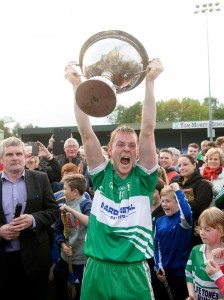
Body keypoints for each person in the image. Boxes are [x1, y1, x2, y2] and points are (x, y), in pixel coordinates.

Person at [65, 58, 164, 300]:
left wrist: (150, 82)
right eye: (121, 144)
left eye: (132, 145)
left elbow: (148, 130)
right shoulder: (102, 174)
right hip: (97, 268)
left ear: (138, 152)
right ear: (110, 150)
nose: (127, 149)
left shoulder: (144, 179)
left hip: (133, 271)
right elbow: (86, 133)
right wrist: (76, 85)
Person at [0, 136, 59, 300]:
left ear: (24, 156)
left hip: (36, 260)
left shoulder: (40, 178)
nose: (15, 158)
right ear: (1, 158)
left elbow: (54, 210)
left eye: (19, 154)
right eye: (9, 154)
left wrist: (32, 220)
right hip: (4, 261)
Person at [53, 174, 92, 300]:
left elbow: (91, 222)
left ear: (75, 192)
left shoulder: (86, 204)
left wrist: (70, 210)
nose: (63, 191)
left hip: (81, 261)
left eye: (65, 188)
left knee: (78, 291)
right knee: (57, 278)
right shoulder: (64, 206)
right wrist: (63, 245)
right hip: (66, 257)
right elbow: (58, 230)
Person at [154, 182, 192, 300]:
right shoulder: (160, 221)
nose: (164, 204)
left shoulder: (183, 221)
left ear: (177, 202)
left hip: (180, 274)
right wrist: (158, 266)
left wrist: (177, 191)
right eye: (163, 201)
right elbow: (156, 246)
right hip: (164, 274)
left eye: (168, 201)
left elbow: (186, 212)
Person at [185, 207, 224, 300]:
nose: (202, 233)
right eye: (201, 228)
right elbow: (188, 273)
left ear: (221, 231)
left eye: (207, 229)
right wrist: (191, 294)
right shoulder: (195, 250)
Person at [178, 154, 213, 248]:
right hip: (178, 230)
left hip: (195, 231)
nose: (181, 168)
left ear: (194, 165)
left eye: (185, 164)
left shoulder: (202, 184)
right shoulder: (176, 183)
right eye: (179, 165)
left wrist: (178, 203)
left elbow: (198, 206)